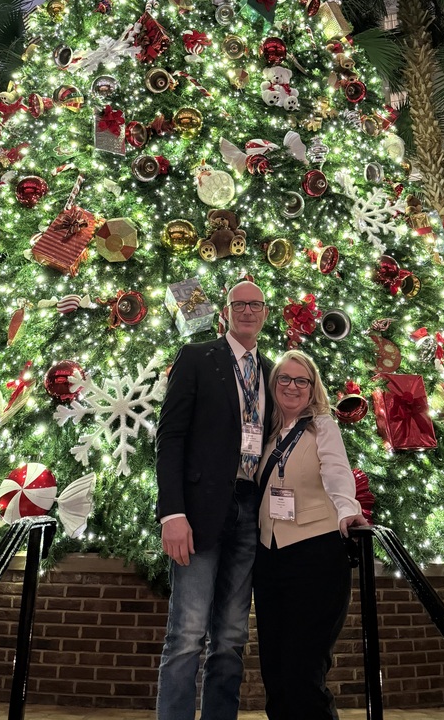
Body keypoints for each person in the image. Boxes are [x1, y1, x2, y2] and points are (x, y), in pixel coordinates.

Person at [155, 279, 273, 720]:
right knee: (187, 633)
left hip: (250, 510)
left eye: (255, 305)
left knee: (232, 635)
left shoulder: (271, 370)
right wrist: (172, 513)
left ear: (264, 313)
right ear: (226, 312)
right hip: (199, 512)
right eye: (239, 304)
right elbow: (170, 438)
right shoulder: (196, 357)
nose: (247, 311)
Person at [253, 349, 369, 720]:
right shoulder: (267, 434)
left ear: (312, 387)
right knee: (275, 672)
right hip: (269, 558)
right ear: (274, 386)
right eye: (284, 379)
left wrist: (348, 512)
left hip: (316, 555)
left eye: (301, 380)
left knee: (305, 671)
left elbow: (337, 472)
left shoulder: (323, 425)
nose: (292, 386)